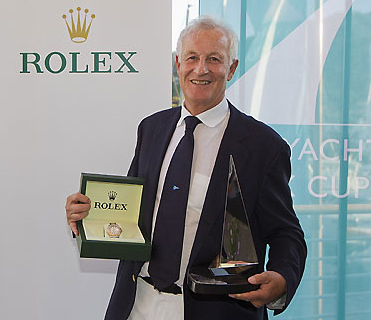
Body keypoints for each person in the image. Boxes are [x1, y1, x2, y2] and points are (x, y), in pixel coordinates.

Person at [65, 16, 306, 320]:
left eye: (214, 59)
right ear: (178, 63)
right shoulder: (151, 128)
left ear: (231, 68)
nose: (201, 69)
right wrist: (87, 215)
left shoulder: (263, 147)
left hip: (218, 312)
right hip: (135, 304)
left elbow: (286, 233)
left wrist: (282, 279)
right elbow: (130, 213)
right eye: (192, 57)